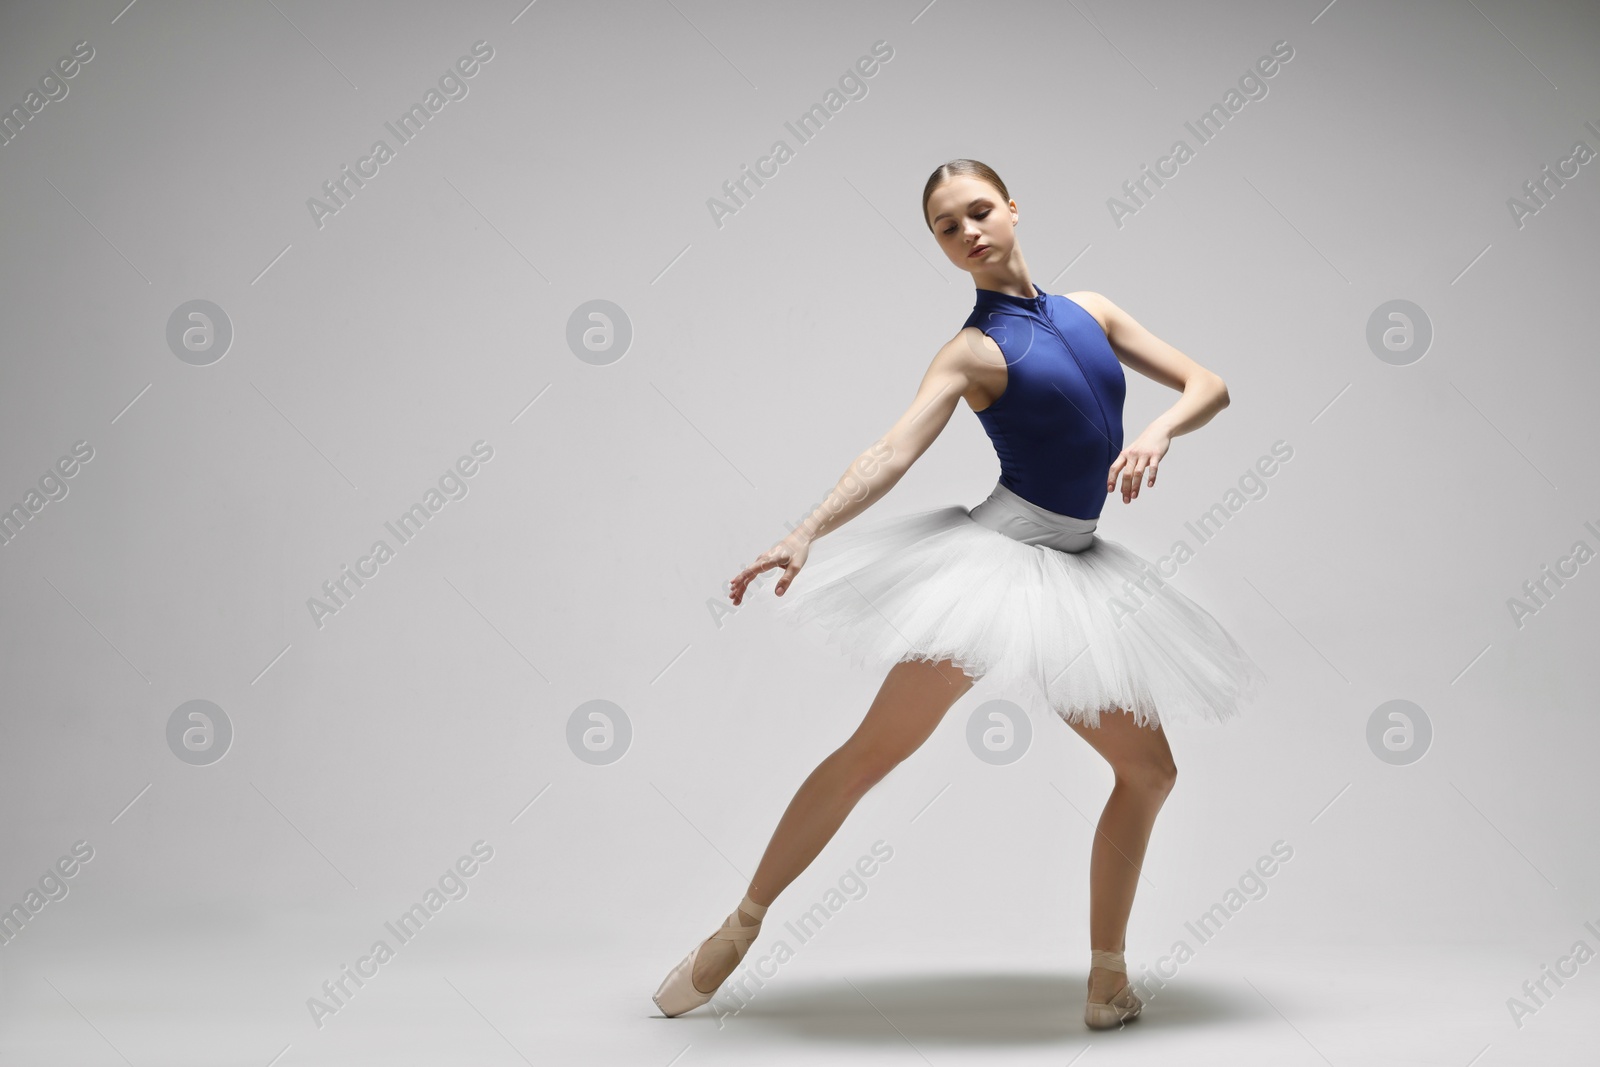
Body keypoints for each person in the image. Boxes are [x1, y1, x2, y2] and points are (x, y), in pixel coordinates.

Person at [652, 159, 1267, 1030]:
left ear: (1013, 209)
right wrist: (805, 531)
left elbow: (1210, 385)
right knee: (873, 751)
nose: (968, 231)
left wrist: (1160, 431)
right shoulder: (973, 351)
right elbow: (892, 452)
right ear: (942, 247)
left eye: (979, 211)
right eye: (947, 227)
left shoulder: (1093, 310)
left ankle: (1106, 980)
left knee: (1150, 771)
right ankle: (737, 928)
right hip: (998, 562)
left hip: (1080, 570)